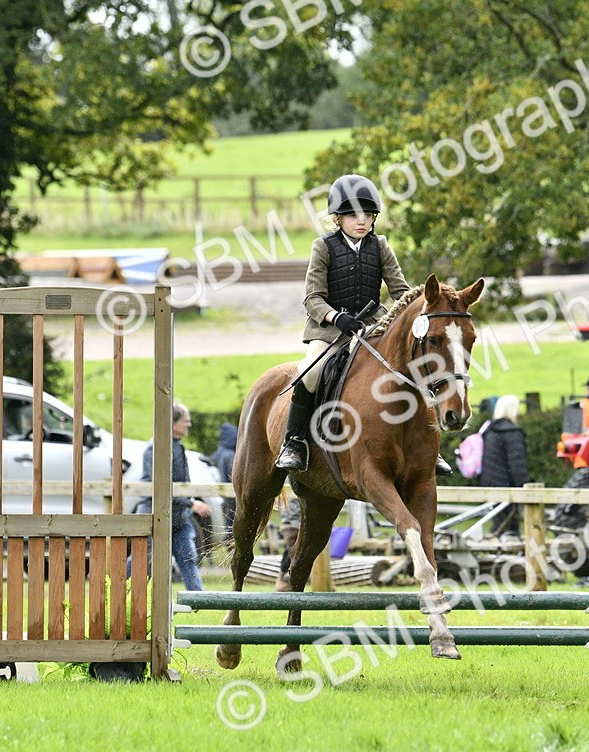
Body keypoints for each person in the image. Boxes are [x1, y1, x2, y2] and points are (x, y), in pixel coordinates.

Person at [274, 173, 454, 478]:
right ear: (339, 218)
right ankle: (294, 442)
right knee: (311, 372)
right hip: (330, 329)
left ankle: (428, 449)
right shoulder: (324, 247)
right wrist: (337, 317)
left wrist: (424, 310)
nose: (363, 222)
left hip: (373, 325)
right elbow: (312, 298)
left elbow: (402, 291)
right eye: (355, 215)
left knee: (415, 366)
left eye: (369, 215)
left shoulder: (380, 246)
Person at [134, 403, 210, 592]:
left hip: (177, 515)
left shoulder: (176, 446)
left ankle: (199, 601)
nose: (189, 425)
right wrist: (191, 503)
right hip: (153, 512)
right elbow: (160, 485)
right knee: (140, 559)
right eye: (186, 421)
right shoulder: (156, 448)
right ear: (173, 423)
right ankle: (125, 592)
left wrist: (187, 503)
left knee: (188, 557)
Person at [479, 395, 532, 535]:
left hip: (489, 482)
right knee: (511, 526)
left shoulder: (490, 430)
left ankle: (493, 550)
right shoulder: (511, 432)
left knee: (499, 523)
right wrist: (526, 486)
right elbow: (517, 464)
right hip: (506, 485)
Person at [212, 422, 237, 536]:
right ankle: (230, 545)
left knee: (228, 522)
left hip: (224, 497)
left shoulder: (220, 454)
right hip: (232, 497)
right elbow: (234, 477)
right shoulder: (230, 456)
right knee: (233, 524)